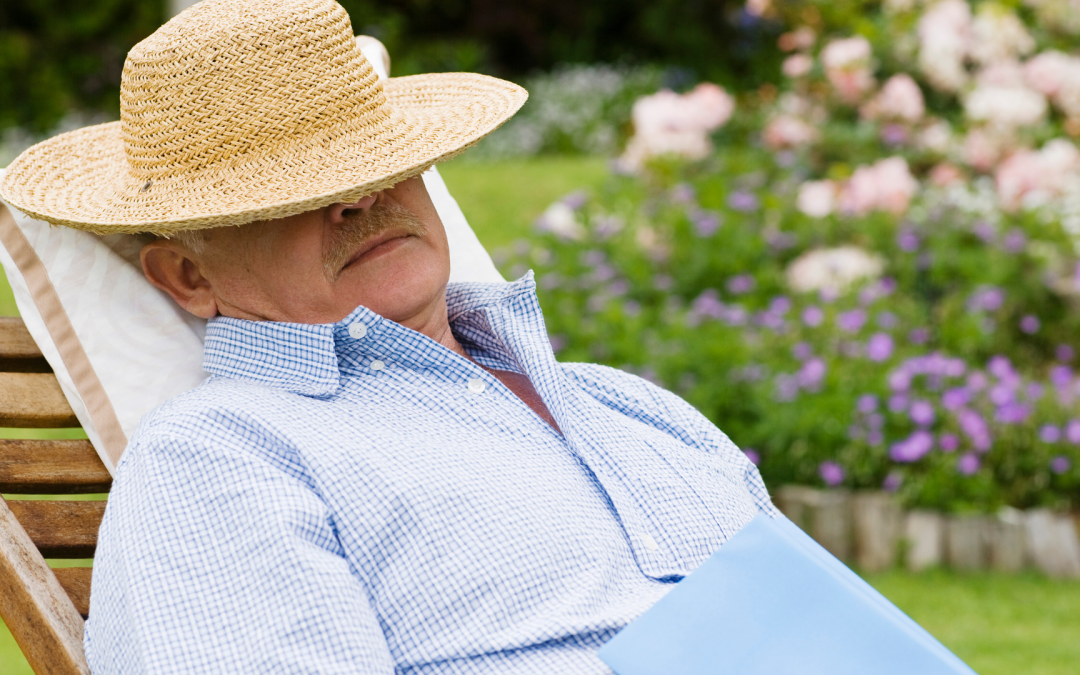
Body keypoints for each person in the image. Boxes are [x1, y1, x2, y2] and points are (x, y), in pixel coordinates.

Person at [0, 0, 777, 672]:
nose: (362, 198)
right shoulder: (219, 457)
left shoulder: (629, 407)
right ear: (187, 278)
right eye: (288, 195)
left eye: (381, 164)